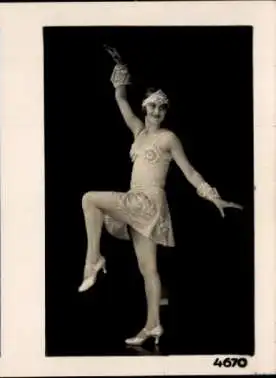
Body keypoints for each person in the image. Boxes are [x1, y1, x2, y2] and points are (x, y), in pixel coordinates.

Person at [78, 46, 242, 347]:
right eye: (153, 106)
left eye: (162, 108)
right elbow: (121, 101)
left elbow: (190, 172)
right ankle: (153, 326)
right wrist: (119, 80)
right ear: (145, 107)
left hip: (148, 203)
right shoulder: (139, 132)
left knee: (90, 199)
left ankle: (93, 260)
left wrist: (212, 195)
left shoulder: (168, 138)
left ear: (166, 111)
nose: (156, 112)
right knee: (149, 270)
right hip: (137, 201)